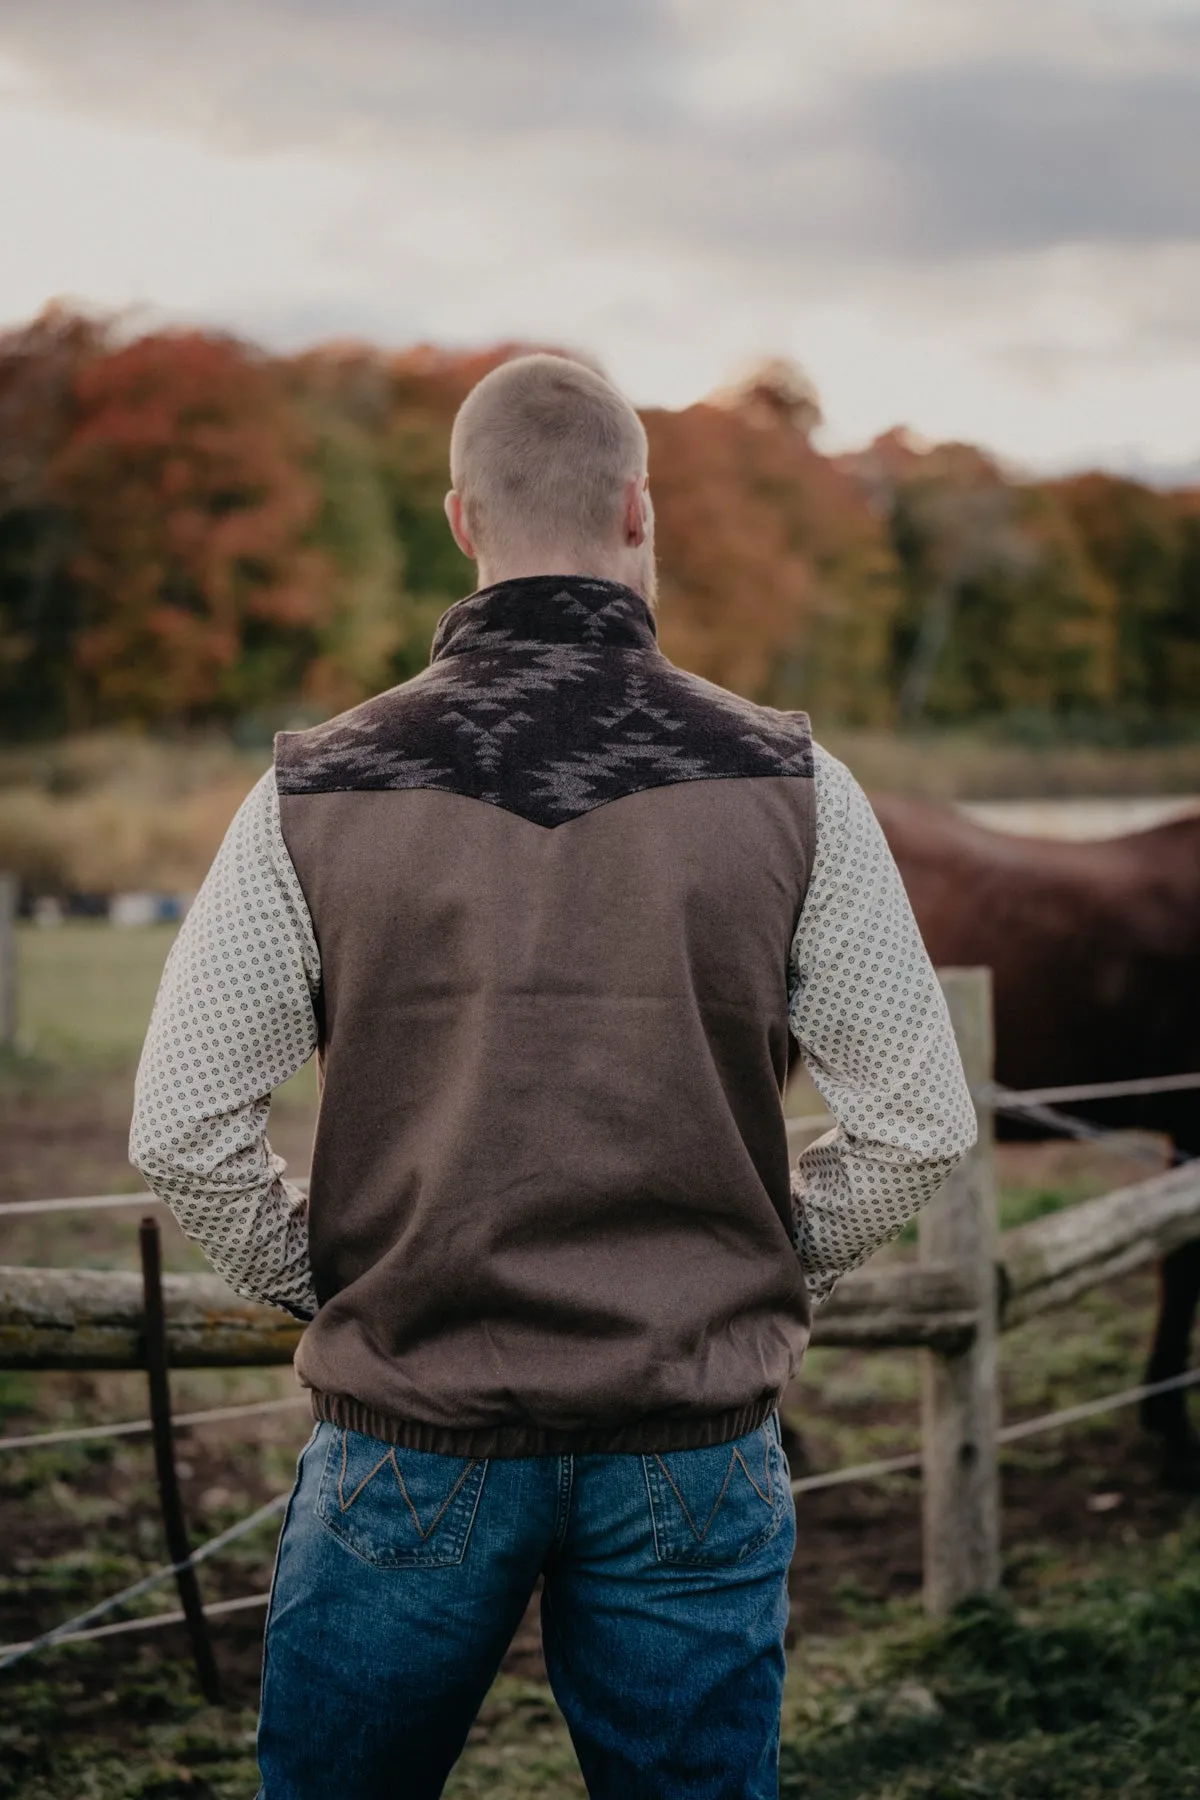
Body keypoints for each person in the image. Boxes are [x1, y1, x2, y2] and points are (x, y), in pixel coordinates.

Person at [130, 353, 976, 1800]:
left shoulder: (315, 785)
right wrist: (768, 1260)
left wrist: (342, 1279)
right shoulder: (794, 781)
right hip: (690, 1437)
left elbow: (182, 1130)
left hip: (413, 1428)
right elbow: (918, 1127)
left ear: (461, 519)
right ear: (640, 510)